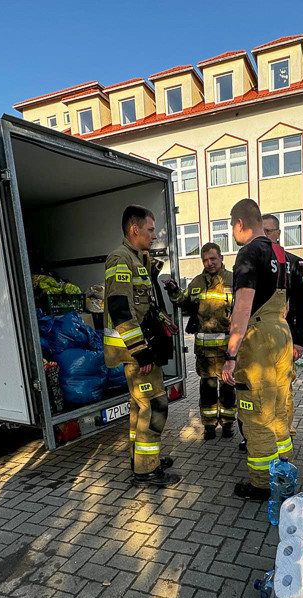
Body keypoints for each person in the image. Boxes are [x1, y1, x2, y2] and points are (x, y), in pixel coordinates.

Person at [103, 205, 180, 488]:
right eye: (150, 230)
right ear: (134, 229)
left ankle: (142, 458)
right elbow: (121, 310)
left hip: (140, 348)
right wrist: (141, 350)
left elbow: (145, 303)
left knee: (139, 407)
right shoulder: (119, 259)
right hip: (135, 352)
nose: (154, 236)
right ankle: (147, 471)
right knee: (155, 405)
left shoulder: (137, 259)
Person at [222, 199, 293, 501]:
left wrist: (230, 356)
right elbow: (286, 304)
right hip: (281, 333)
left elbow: (243, 306)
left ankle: (262, 485)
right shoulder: (279, 253)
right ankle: (284, 466)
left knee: (255, 412)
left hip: (259, 341)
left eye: (231, 226)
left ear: (239, 224)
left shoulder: (248, 252)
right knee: (279, 406)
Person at [164, 243, 236, 440]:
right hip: (204, 352)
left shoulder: (233, 280)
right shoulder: (196, 282)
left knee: (228, 389)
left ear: (221, 258)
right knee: (207, 390)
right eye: (205, 260)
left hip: (227, 352)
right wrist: (173, 290)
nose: (209, 263)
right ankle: (209, 426)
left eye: (213, 259)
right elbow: (182, 301)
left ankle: (228, 424)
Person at [262, 214, 303, 439]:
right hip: (258, 341)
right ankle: (258, 432)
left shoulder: (293, 263)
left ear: (279, 234)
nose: (265, 236)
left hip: (286, 338)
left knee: (283, 391)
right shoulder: (253, 262)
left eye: (269, 231)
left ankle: (284, 433)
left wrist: (299, 341)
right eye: (260, 231)